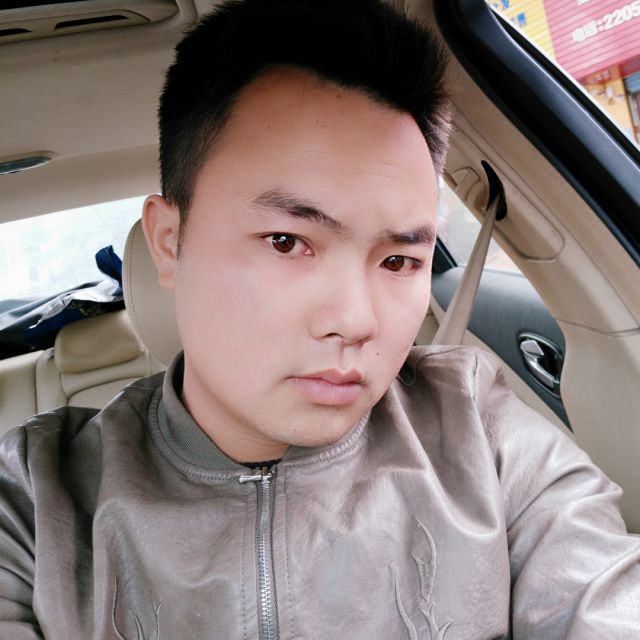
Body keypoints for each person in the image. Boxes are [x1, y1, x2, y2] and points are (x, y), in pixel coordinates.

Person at [1, 0, 639, 638]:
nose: (356, 321)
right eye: (287, 242)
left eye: (398, 260)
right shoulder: (34, 501)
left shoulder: (482, 434)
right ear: (170, 243)